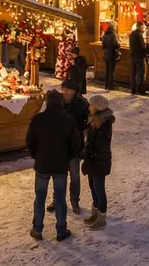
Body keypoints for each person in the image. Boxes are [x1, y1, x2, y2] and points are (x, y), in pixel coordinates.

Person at [26, 89, 80, 241]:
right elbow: (75, 143)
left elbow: (30, 141)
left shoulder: (38, 119)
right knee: (60, 199)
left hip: (42, 164)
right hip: (60, 165)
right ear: (61, 102)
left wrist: (36, 156)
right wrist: (68, 157)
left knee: (40, 198)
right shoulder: (68, 120)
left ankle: (37, 229)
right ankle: (61, 230)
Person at [48, 79, 89, 215]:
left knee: (74, 176)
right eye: (63, 89)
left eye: (67, 90)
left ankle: (74, 201)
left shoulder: (82, 105)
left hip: (74, 146)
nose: (64, 92)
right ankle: (57, 200)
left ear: (74, 92)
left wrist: (84, 143)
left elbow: (87, 125)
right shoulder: (57, 102)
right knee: (59, 175)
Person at [81, 95, 114, 231]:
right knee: (92, 187)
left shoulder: (104, 124)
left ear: (98, 107)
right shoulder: (93, 119)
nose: (89, 107)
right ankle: (95, 213)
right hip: (92, 160)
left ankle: (101, 218)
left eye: (92, 105)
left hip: (99, 161)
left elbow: (101, 145)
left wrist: (89, 148)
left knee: (99, 189)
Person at [99, 23, 120, 92]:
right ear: (114, 26)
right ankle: (110, 86)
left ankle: (106, 85)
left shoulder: (105, 33)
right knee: (111, 71)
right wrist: (119, 44)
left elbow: (103, 45)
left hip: (106, 54)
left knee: (107, 70)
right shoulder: (114, 34)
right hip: (112, 54)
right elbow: (116, 44)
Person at [128, 23, 147, 95]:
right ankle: (139, 89)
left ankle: (133, 89)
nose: (144, 28)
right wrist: (146, 50)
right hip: (139, 57)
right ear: (141, 27)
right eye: (143, 27)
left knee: (133, 73)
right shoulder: (139, 35)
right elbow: (141, 47)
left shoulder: (132, 34)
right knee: (140, 74)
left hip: (132, 56)